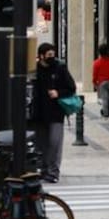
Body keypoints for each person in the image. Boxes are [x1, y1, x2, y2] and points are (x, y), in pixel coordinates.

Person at [30, 43, 77, 183]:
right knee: (41, 142)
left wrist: (58, 93)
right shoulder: (35, 69)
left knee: (54, 142)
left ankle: (53, 171)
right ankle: (43, 169)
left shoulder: (60, 68)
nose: (52, 57)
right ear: (41, 55)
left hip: (56, 112)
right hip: (39, 112)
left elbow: (71, 87)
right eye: (49, 55)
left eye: (53, 54)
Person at [92, 43, 109, 117]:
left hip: (102, 82)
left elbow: (95, 74)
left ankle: (106, 113)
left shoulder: (96, 63)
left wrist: (94, 82)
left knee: (105, 98)